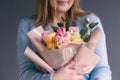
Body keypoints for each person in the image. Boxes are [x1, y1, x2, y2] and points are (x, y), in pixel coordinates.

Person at [16, 0, 112, 80]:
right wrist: (54, 78)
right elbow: (25, 73)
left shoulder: (90, 22)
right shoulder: (28, 25)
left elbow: (101, 69)